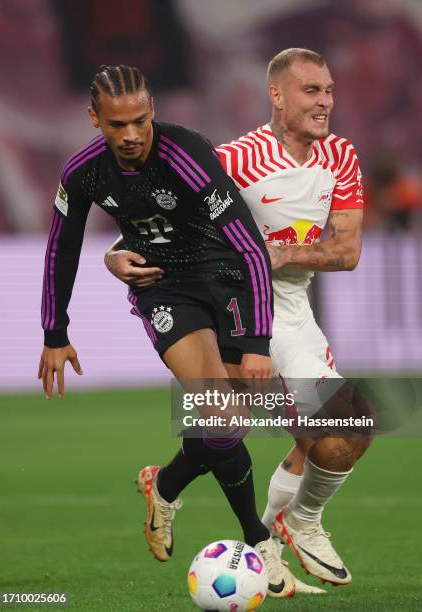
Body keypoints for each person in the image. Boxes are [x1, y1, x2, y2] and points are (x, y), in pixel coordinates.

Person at [105, 49, 372, 589]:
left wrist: (272, 254)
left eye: (329, 91)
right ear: (276, 95)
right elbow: (164, 215)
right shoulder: (234, 159)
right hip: (228, 307)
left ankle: (297, 520)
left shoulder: (340, 156)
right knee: (229, 428)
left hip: (292, 312)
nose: (325, 103)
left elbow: (346, 252)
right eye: (311, 92)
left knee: (345, 431)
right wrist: (116, 252)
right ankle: (261, 543)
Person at [38, 64, 295, 598]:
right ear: (94, 119)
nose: (131, 135)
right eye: (116, 125)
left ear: (153, 109)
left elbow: (248, 247)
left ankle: (166, 483)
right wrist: (54, 332)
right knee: (222, 415)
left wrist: (256, 345)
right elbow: (62, 247)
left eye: (140, 120)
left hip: (224, 278)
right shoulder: (82, 172)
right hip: (163, 287)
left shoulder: (187, 154)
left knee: (229, 427)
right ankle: (258, 539)